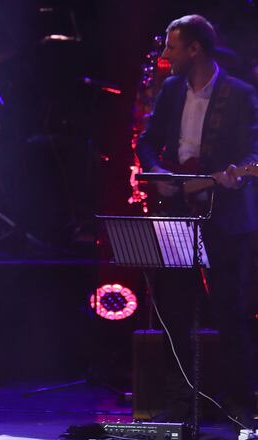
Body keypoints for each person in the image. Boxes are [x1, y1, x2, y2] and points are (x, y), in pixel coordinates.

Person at [135, 15, 258, 427]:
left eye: (172, 47)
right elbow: (147, 141)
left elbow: (253, 152)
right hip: (176, 213)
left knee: (229, 312)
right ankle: (182, 397)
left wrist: (234, 175)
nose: (165, 55)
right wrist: (159, 175)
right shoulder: (171, 90)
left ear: (195, 50)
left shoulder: (239, 95)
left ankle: (240, 400)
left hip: (223, 215)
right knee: (173, 307)